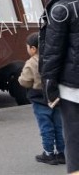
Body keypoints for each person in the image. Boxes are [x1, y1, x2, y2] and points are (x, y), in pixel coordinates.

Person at [39, 0, 79, 174]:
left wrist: (48, 86)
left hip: (72, 87)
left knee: (74, 140)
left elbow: (52, 54)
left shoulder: (60, 9)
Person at [18, 33, 65, 165]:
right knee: (59, 126)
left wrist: (20, 79)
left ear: (33, 48)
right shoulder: (55, 58)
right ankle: (62, 153)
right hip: (56, 98)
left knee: (46, 127)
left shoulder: (32, 62)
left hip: (40, 100)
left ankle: (48, 153)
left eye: (27, 47)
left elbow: (25, 81)